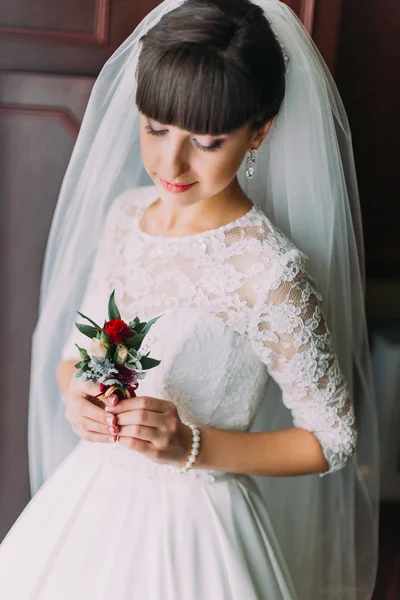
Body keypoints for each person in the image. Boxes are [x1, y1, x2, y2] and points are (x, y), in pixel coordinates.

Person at [0, 0, 379, 598]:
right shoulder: (126, 216)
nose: (170, 162)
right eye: (155, 127)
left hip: (196, 527)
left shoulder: (267, 270)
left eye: (206, 140)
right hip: (90, 504)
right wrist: (79, 397)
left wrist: (190, 444)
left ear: (260, 132)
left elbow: (329, 439)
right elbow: (79, 356)